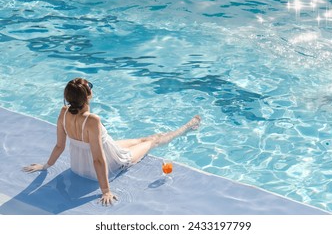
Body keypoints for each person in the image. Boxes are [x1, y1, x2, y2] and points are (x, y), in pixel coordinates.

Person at [23, 78, 201, 205]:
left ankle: (185, 127)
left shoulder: (63, 112)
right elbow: (98, 160)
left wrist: (45, 165)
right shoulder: (92, 120)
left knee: (141, 139)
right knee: (152, 141)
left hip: (79, 166)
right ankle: (187, 127)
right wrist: (106, 191)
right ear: (88, 96)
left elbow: (59, 145)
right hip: (111, 162)